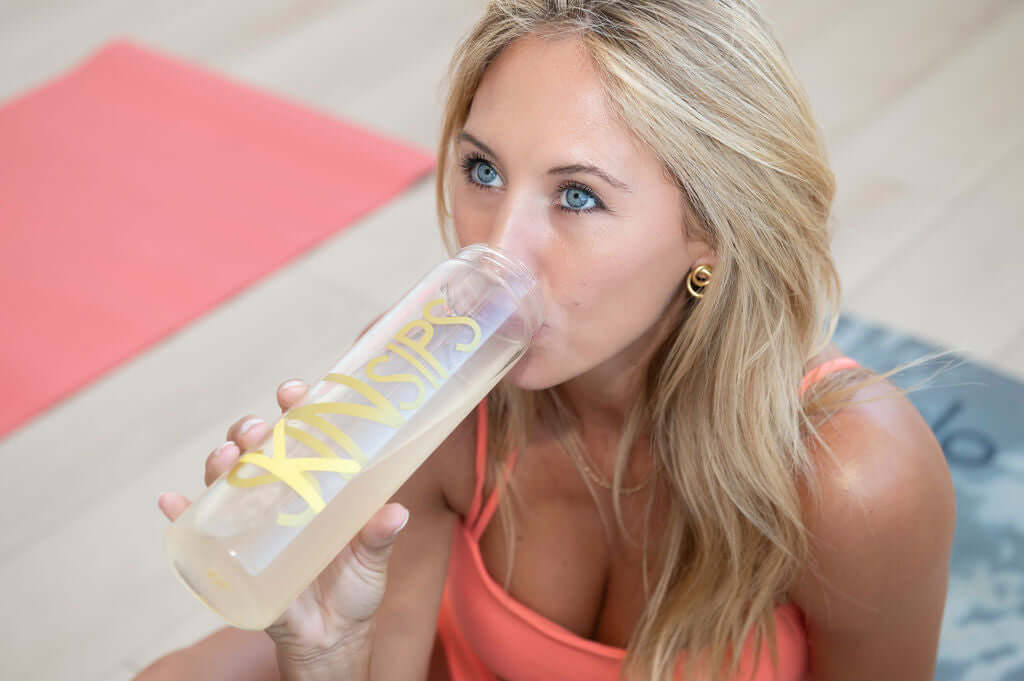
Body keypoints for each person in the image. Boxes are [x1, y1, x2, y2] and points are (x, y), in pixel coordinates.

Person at [137, 1, 957, 680]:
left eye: (577, 196)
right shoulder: (426, 390)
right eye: (483, 171)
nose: (500, 245)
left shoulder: (854, 482)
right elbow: (385, 657)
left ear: (710, 231)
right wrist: (328, 648)